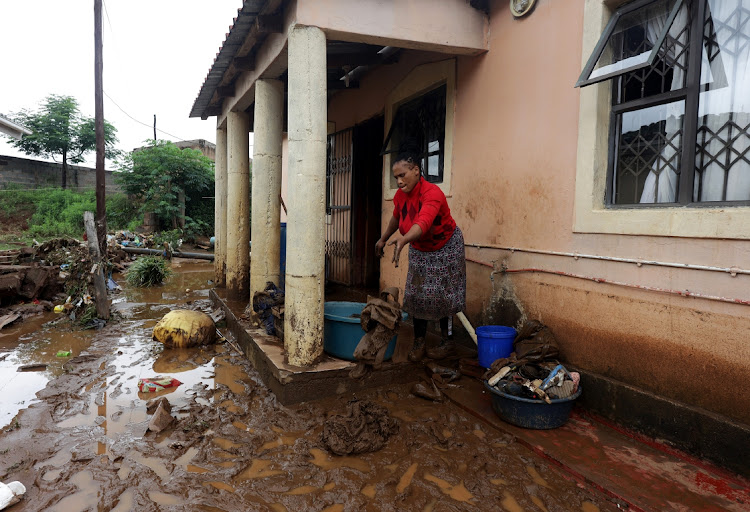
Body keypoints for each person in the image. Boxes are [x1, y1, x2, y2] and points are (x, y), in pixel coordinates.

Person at [375, 148, 466, 361]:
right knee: (417, 296)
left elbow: (424, 221)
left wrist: (405, 239)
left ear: (416, 170)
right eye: (396, 177)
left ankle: (448, 342)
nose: (398, 181)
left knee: (445, 297)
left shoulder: (432, 193)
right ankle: (419, 343)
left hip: (446, 248)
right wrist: (384, 238)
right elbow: (397, 218)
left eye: (402, 175)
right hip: (420, 248)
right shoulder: (400, 196)